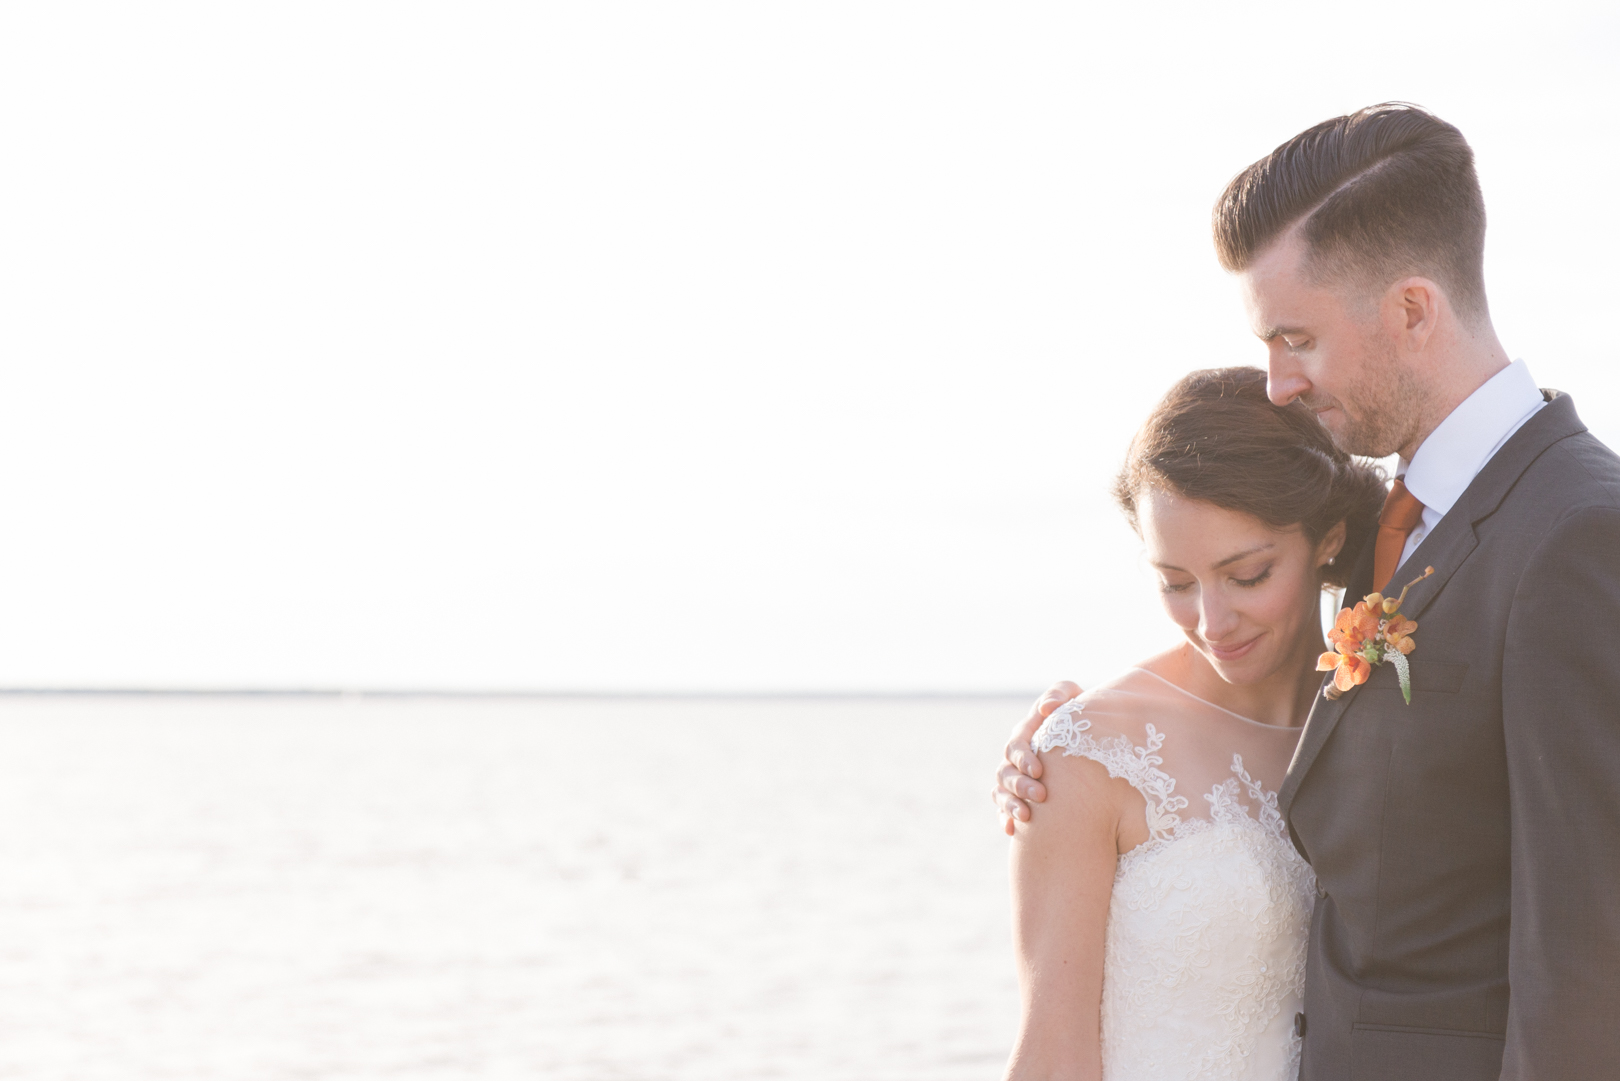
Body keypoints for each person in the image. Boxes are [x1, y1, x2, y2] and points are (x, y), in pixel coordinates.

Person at [995, 103, 1620, 1080]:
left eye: (1298, 340)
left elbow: (1591, 954)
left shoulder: (1576, 534)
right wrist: (1080, 734)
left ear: (1413, 309)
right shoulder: (1403, 528)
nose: (1279, 382)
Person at [1004, 366, 1385, 1081]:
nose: (1212, 621)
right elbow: (1051, 1055)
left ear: (1327, 538)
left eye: (1247, 575)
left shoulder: (1381, 719)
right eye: (1176, 583)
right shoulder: (1091, 755)